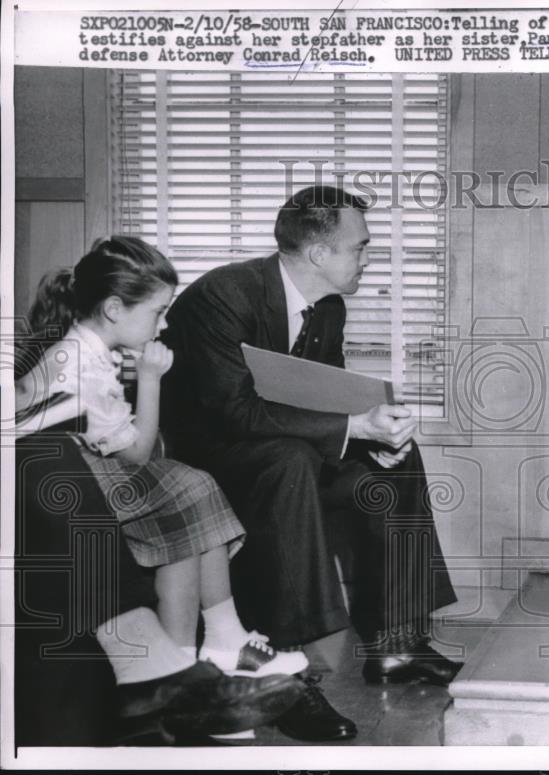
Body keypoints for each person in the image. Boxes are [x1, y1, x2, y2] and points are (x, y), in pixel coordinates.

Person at [161, 185, 460, 741]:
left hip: (283, 449)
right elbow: (233, 412)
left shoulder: (328, 308)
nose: (367, 259)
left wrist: (375, 433)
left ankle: (397, 643)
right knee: (291, 461)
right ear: (319, 253)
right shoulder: (222, 296)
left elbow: (326, 396)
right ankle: (291, 677)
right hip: (213, 459)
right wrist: (351, 428)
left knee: (396, 460)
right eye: (361, 247)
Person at [15, 237, 310, 741]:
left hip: (71, 473)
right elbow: (136, 452)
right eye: (158, 312)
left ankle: (182, 670)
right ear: (113, 309)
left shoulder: (89, 350)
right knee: (188, 488)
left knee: (191, 489)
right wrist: (150, 379)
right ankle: (205, 653)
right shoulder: (81, 367)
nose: (165, 324)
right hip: (60, 480)